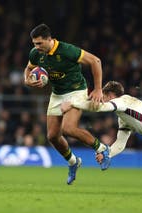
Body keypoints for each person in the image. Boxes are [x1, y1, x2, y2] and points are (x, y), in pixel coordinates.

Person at [24, 23, 110, 185]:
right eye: (34, 43)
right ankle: (73, 162)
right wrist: (27, 80)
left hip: (76, 91)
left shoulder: (67, 50)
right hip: (57, 94)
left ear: (49, 40)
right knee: (52, 136)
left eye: (39, 43)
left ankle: (102, 149)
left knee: (68, 128)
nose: (36, 47)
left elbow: (95, 61)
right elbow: (28, 69)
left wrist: (98, 89)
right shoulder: (36, 53)